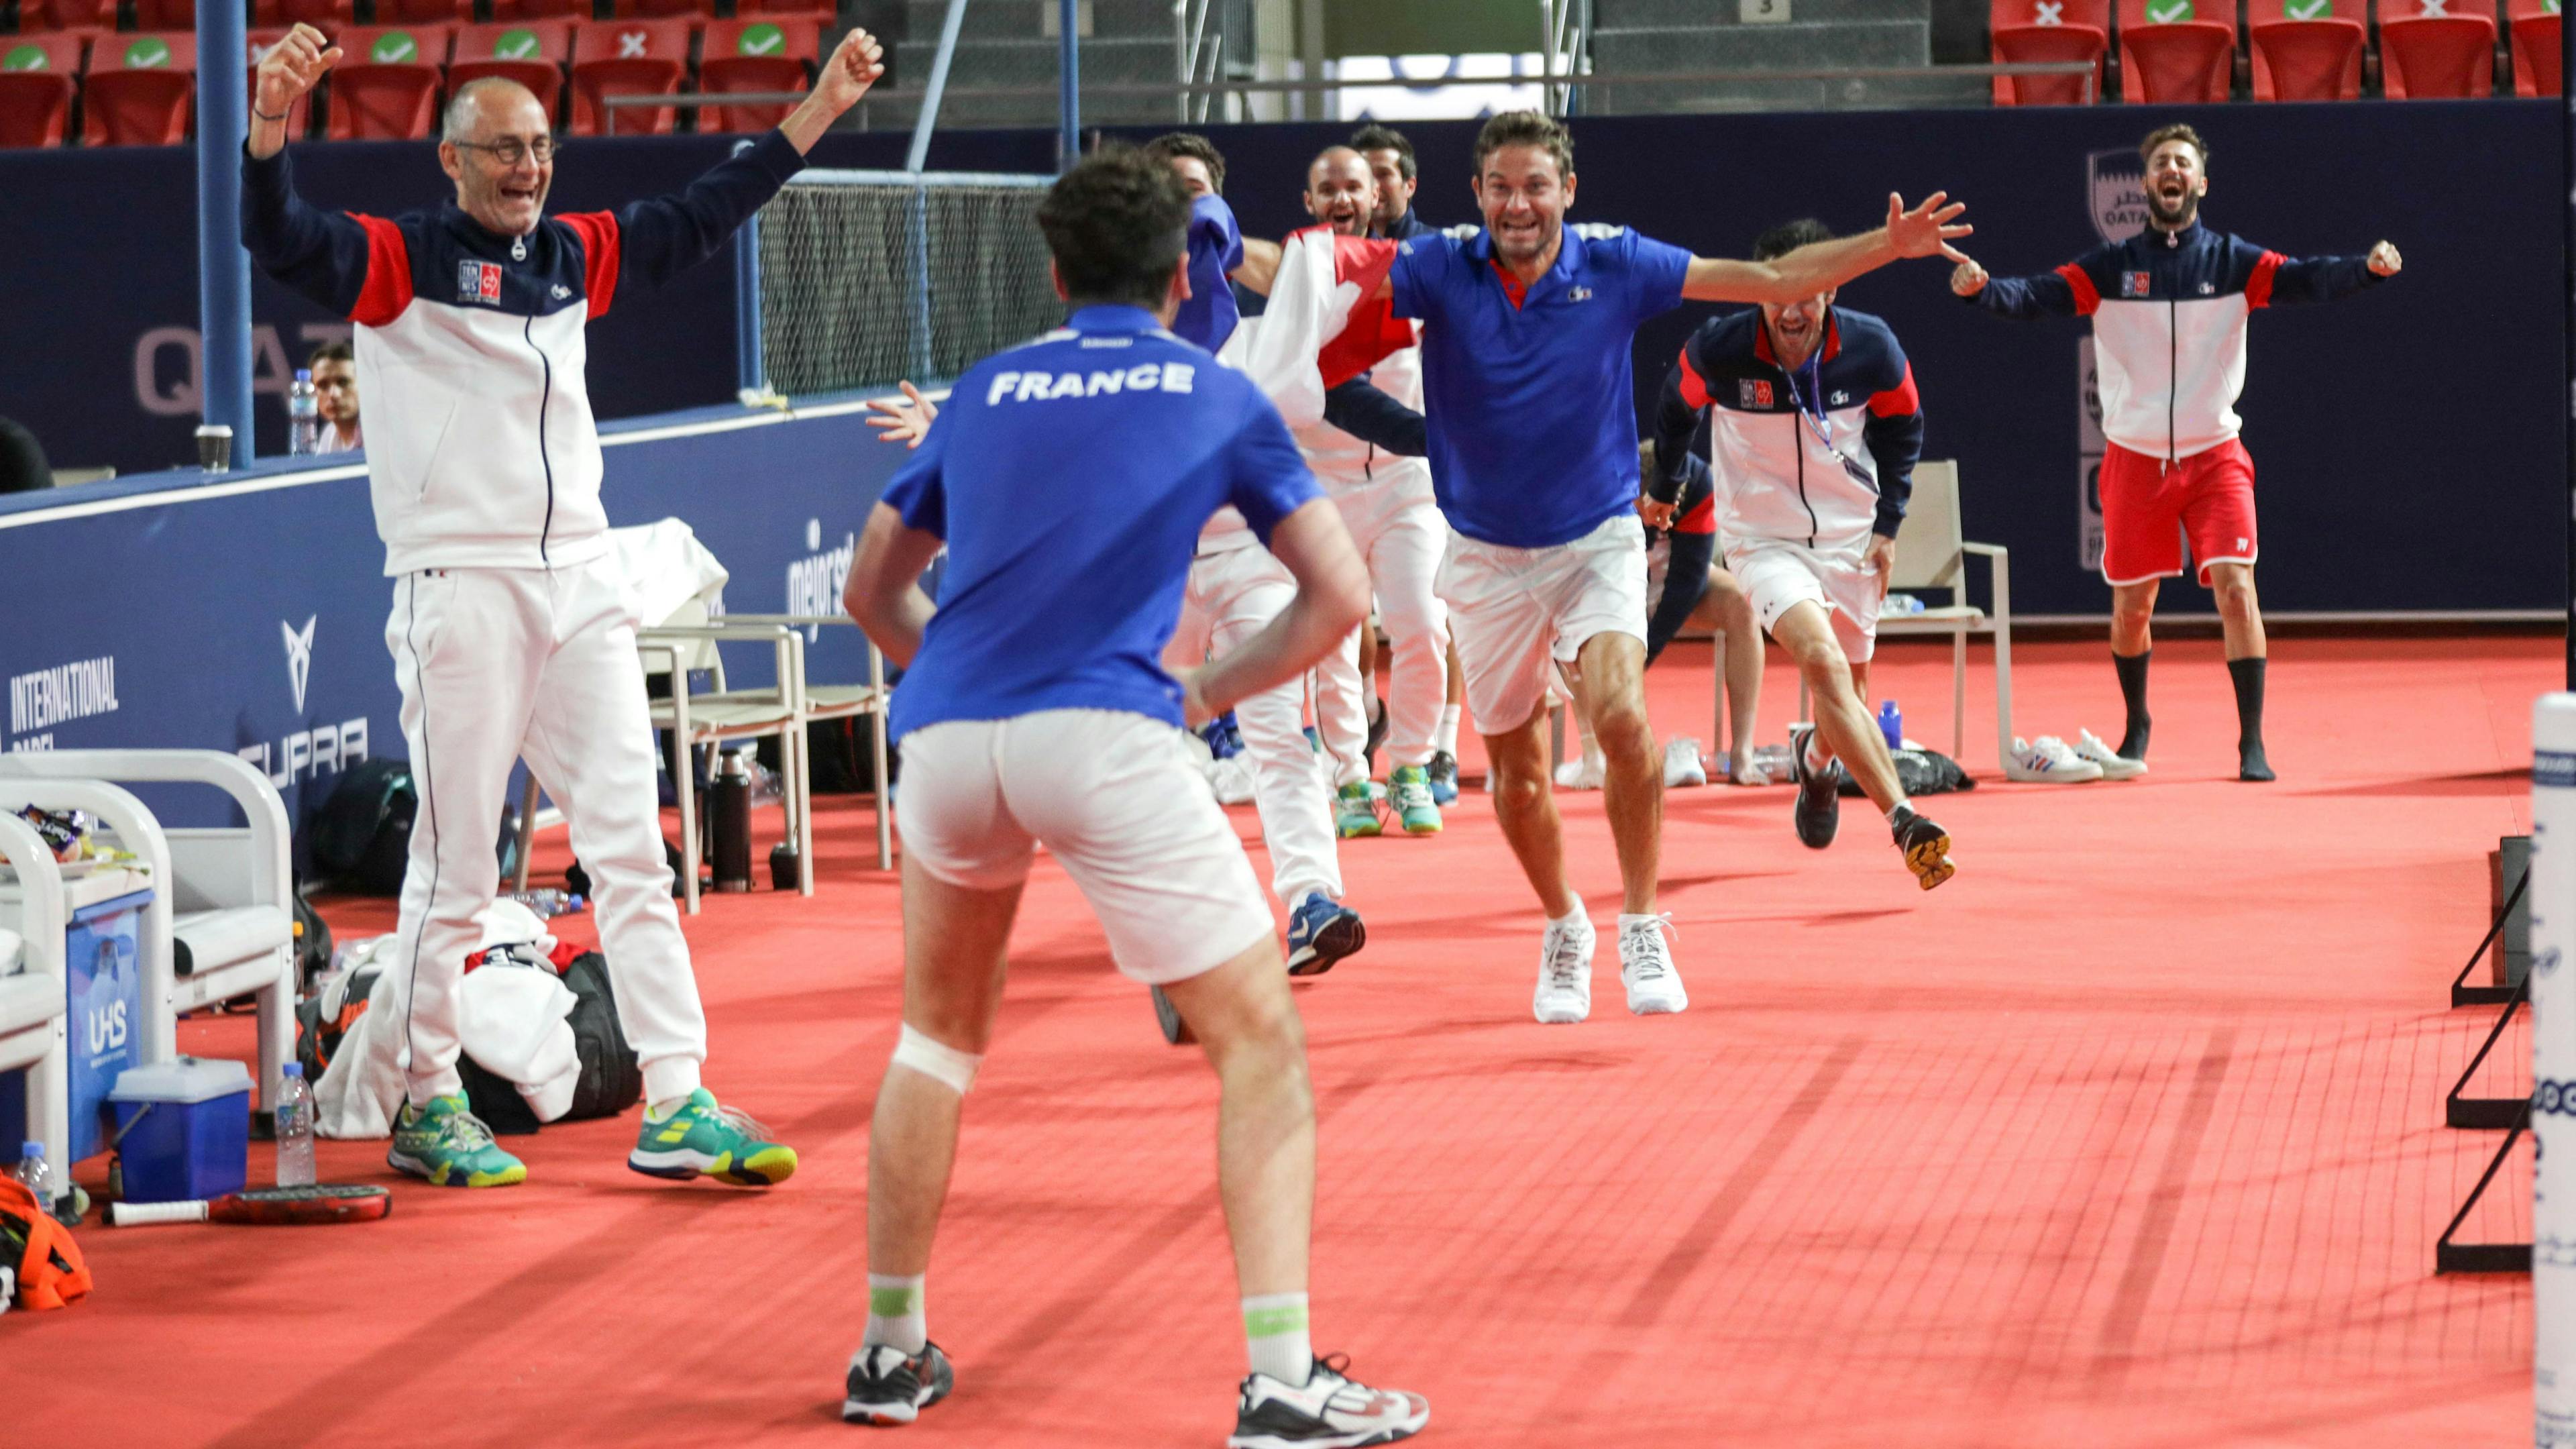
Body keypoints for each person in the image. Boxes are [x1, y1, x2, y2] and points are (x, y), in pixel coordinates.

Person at [837, 147, 1429, 1446]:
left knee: (935, 1040)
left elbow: (871, 594)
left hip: (942, 738)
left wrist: (966, 688)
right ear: (1180, 275)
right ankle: (1280, 1382)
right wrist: (1206, 693)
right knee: (1258, 1044)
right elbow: (1337, 601)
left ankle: (888, 1353)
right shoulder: (1213, 393)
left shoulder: (986, 389)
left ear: (1054, 272)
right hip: (1105, 731)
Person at [239, 22, 888, 1188]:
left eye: (539, 147)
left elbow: (702, 209)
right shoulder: (400, 263)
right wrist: (272, 122)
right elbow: (278, 235)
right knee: (454, 869)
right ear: (451, 160)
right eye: (502, 151)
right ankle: (429, 1099)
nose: (527, 168)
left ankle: (678, 1095)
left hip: (581, 580)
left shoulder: (574, 253)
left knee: (634, 848)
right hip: (462, 587)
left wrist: (819, 113)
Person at [1385, 110, 1968, 1023]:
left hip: (1635, 539)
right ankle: (1565, 923)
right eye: (1500, 185)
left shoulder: (1622, 264)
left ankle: (1647, 920)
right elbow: (1323, 280)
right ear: (1477, 194)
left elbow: (1798, 305)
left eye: (1536, 184)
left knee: (1637, 717)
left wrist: (1887, 251)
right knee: (1521, 777)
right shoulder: (1445, 270)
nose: (1518, 202)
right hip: (1521, 550)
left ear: (1567, 192)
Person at [1952, 122, 2401, 782]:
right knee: (2133, 610)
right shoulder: (2109, 267)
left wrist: (2366, 270)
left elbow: (2308, 280)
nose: (2172, 171)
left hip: (2216, 454)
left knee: (2236, 592)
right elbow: (2037, 296)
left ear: (2200, 183)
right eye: (2162, 162)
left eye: (2183, 164)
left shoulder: (2233, 262)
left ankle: (2252, 741)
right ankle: (2137, 722)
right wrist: (1983, 289)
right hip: (2134, 458)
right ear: (2146, 183)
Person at [1650, 219, 1954, 888]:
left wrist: (1889, 524)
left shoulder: (1872, 346)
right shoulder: (1720, 350)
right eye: (1779, 295)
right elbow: (1675, 411)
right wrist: (1666, 488)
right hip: (1763, 542)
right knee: (1819, 660)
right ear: (1761, 290)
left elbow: (1905, 426)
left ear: (1831, 287)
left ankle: (1817, 762)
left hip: (1850, 542)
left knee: (1847, 695)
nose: (1792, 310)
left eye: (1808, 293)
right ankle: (1905, 821)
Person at [1295, 146, 1451, 839]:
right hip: (1322, 482)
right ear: (1310, 201)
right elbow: (1319, 387)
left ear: (1375, 196)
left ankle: (1414, 765)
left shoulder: (1412, 274)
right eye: (1326, 187)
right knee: (1331, 636)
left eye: (1352, 186)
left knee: (1422, 624)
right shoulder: (1293, 276)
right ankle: (1351, 776)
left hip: (1405, 482)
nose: (1341, 197)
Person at [1350, 123, 1467, 799]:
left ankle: (1439, 750)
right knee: (1342, 620)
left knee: (1430, 614)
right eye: (1359, 174)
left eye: (1383, 172)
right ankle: (1364, 719)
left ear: (1407, 183)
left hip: (1420, 466)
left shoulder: (1438, 257)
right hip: (1338, 472)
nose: (1370, 184)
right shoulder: (1326, 260)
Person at [307, 339, 362, 452]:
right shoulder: (329, 435)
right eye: (323, 385)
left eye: (343, 383)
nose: (334, 395)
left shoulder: (380, 435)